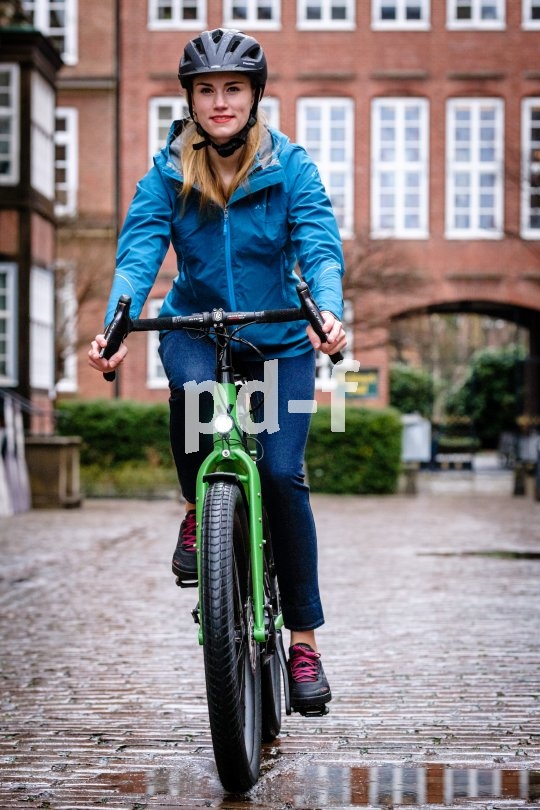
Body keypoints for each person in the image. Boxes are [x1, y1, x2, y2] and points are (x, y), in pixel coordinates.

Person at [88, 28, 347, 714]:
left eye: (233, 88)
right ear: (191, 100)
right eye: (207, 90)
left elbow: (319, 245)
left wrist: (327, 310)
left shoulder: (290, 167)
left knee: (283, 474)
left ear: (255, 96)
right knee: (195, 389)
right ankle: (196, 508)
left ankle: (303, 643)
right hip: (196, 326)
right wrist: (117, 323)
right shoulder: (167, 173)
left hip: (280, 340)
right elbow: (139, 252)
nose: (220, 101)